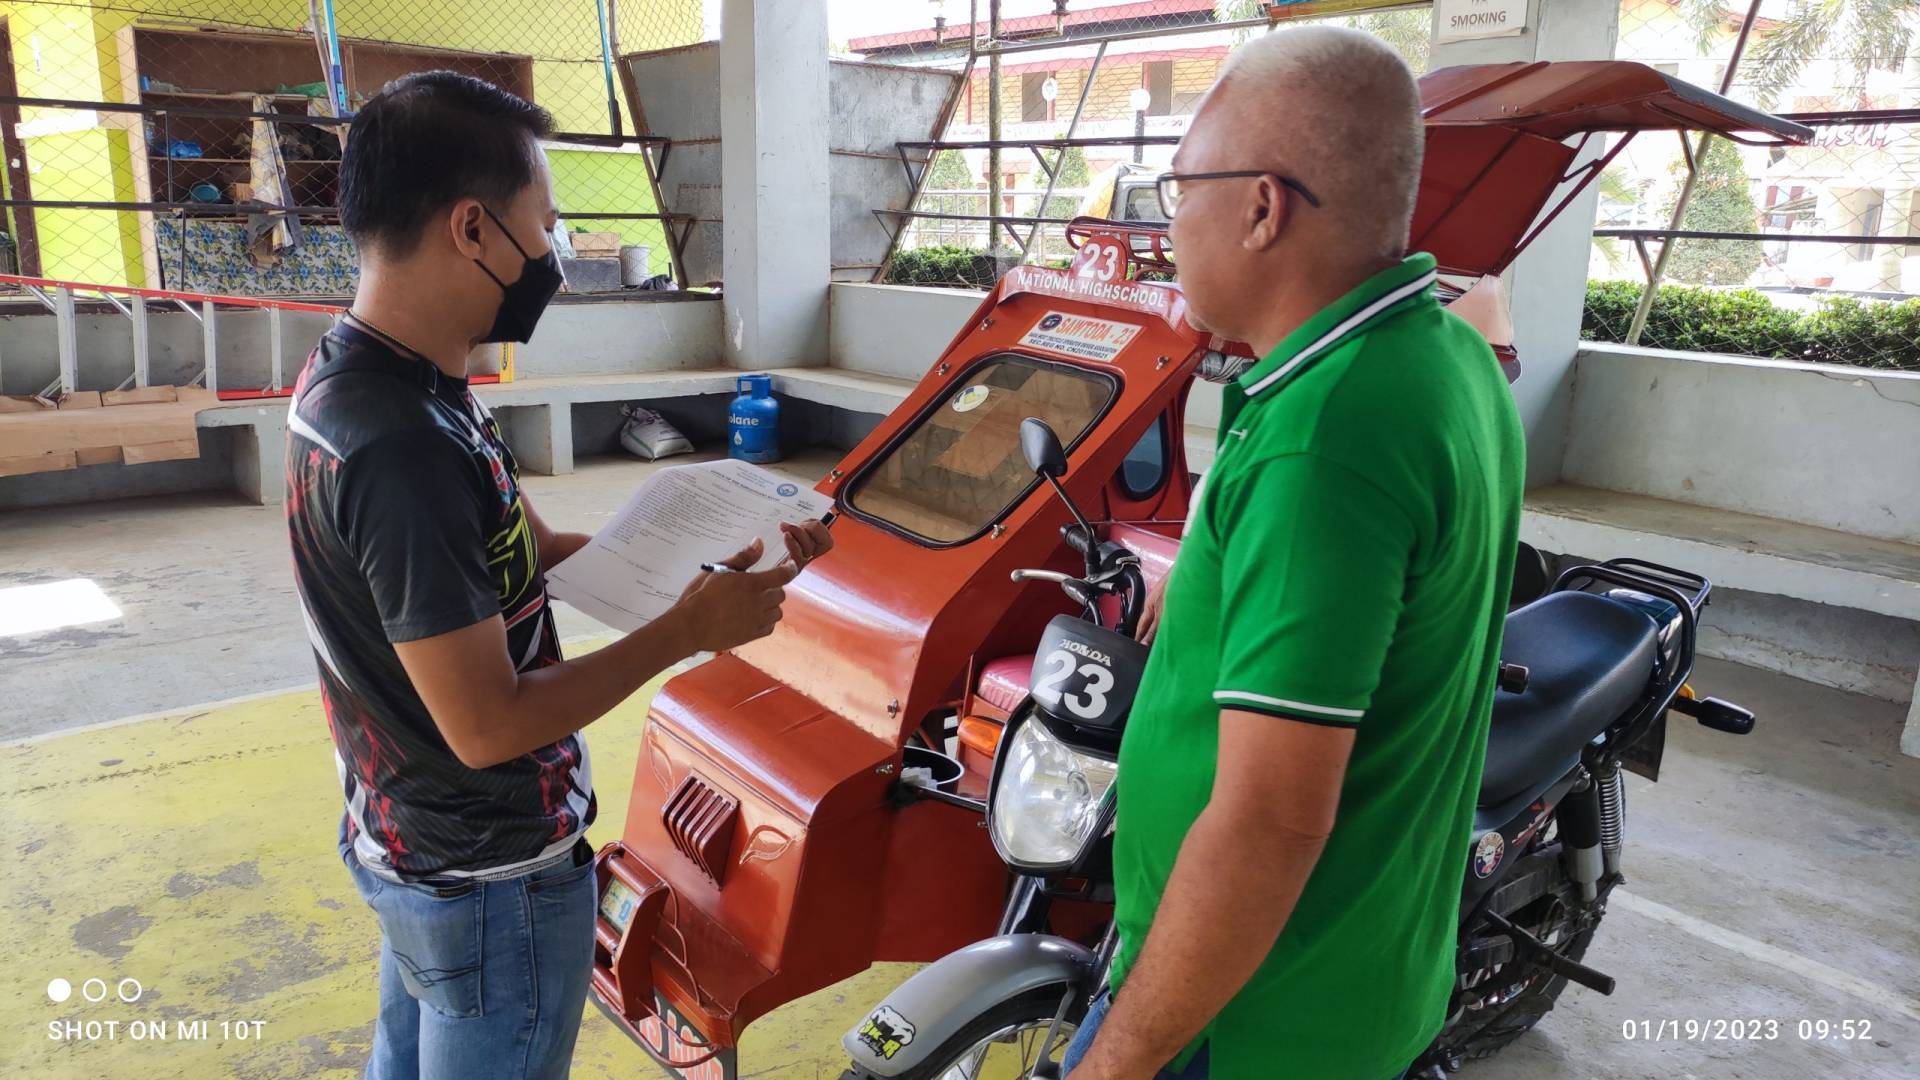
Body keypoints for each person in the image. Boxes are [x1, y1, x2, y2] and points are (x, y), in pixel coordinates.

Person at [284, 72, 831, 1080]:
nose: (554, 252)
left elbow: (524, 555)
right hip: (488, 875)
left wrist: (715, 567)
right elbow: (487, 725)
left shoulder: (393, 377)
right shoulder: (402, 445)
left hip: (410, 841)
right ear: (473, 229)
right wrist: (683, 635)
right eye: (545, 224)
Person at [1063, 27, 1524, 1080]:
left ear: (1262, 207)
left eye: (1180, 189)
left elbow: (1267, 827)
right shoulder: (1447, 355)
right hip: (1362, 973)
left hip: (1250, 1020)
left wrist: (1113, 1065)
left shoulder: (1326, 439)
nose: (1168, 225)